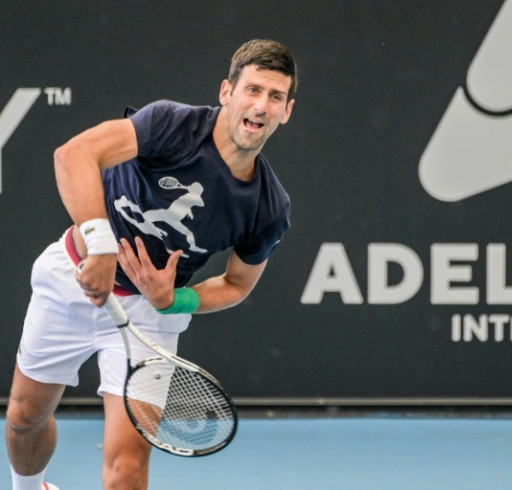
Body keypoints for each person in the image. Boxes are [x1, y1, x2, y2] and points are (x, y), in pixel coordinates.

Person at [5, 39, 296, 490]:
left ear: (286, 111)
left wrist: (175, 299)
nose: (261, 105)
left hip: (147, 317)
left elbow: (238, 285)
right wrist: (100, 246)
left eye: (275, 97)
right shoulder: (172, 124)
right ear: (227, 92)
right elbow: (74, 155)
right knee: (24, 417)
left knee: (126, 471)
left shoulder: (268, 207)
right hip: (74, 274)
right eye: (253, 90)